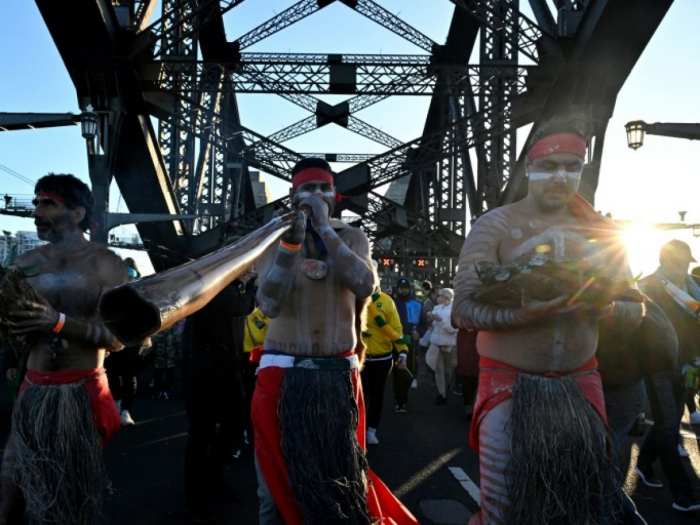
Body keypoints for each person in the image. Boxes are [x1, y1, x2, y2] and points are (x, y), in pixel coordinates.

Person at [453, 121, 645, 525]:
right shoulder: (495, 225)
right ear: (530, 167)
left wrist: (603, 310)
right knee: (503, 511)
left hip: (580, 385)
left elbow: (635, 309)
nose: (561, 176)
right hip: (508, 385)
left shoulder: (601, 233)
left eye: (572, 166)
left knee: (577, 509)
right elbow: (463, 310)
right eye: (551, 164)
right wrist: (520, 316)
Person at [252, 158, 417, 525]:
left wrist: (326, 230)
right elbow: (269, 304)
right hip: (282, 374)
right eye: (307, 189)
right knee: (274, 489)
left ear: (335, 196)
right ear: (293, 196)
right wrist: (289, 248)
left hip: (337, 376)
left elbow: (365, 285)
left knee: (342, 481)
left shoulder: (354, 237)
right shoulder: (272, 239)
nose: (316, 195)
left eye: (324, 188)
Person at [0, 174, 127, 525]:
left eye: (47, 203)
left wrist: (58, 323)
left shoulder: (107, 265)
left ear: (76, 214)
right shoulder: (26, 264)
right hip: (33, 392)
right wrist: (11, 357)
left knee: (66, 501)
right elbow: (10, 323)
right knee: (10, 489)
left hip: (81, 396)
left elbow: (119, 339)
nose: (36, 210)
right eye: (37, 202)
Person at [181, 265, 256, 522]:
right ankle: (195, 497)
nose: (251, 270)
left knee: (234, 424)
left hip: (226, 363)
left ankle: (212, 477)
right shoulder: (216, 285)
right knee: (202, 433)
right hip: (206, 364)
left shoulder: (228, 286)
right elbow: (241, 307)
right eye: (248, 265)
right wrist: (255, 286)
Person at [631, 240, 700, 511]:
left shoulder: (694, 287)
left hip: (689, 366)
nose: (683, 269)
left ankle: (644, 462)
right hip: (657, 364)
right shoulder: (647, 288)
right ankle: (683, 493)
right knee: (669, 425)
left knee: (664, 423)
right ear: (663, 260)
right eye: (678, 263)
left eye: (686, 263)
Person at [361, 274, 409, 445]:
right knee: (360, 395)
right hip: (361, 358)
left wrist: (402, 352)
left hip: (383, 359)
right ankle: (357, 429)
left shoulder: (386, 301)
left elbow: (396, 327)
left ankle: (371, 429)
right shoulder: (353, 298)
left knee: (377, 395)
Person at [392, 277, 428, 411]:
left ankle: (403, 396)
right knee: (398, 372)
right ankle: (399, 401)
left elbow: (424, 324)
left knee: (411, 371)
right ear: (397, 289)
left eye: (405, 288)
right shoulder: (392, 303)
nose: (403, 290)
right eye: (401, 288)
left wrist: (420, 333)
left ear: (409, 289)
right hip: (396, 344)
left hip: (413, 345)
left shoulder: (418, 304)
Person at [426, 288, 458, 405]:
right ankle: (441, 394)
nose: (437, 297)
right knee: (438, 369)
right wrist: (432, 318)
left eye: (440, 295)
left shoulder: (454, 310)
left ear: (446, 298)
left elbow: (454, 329)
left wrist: (440, 320)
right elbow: (435, 325)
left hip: (449, 343)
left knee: (448, 370)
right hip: (436, 342)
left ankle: (446, 386)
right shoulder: (436, 308)